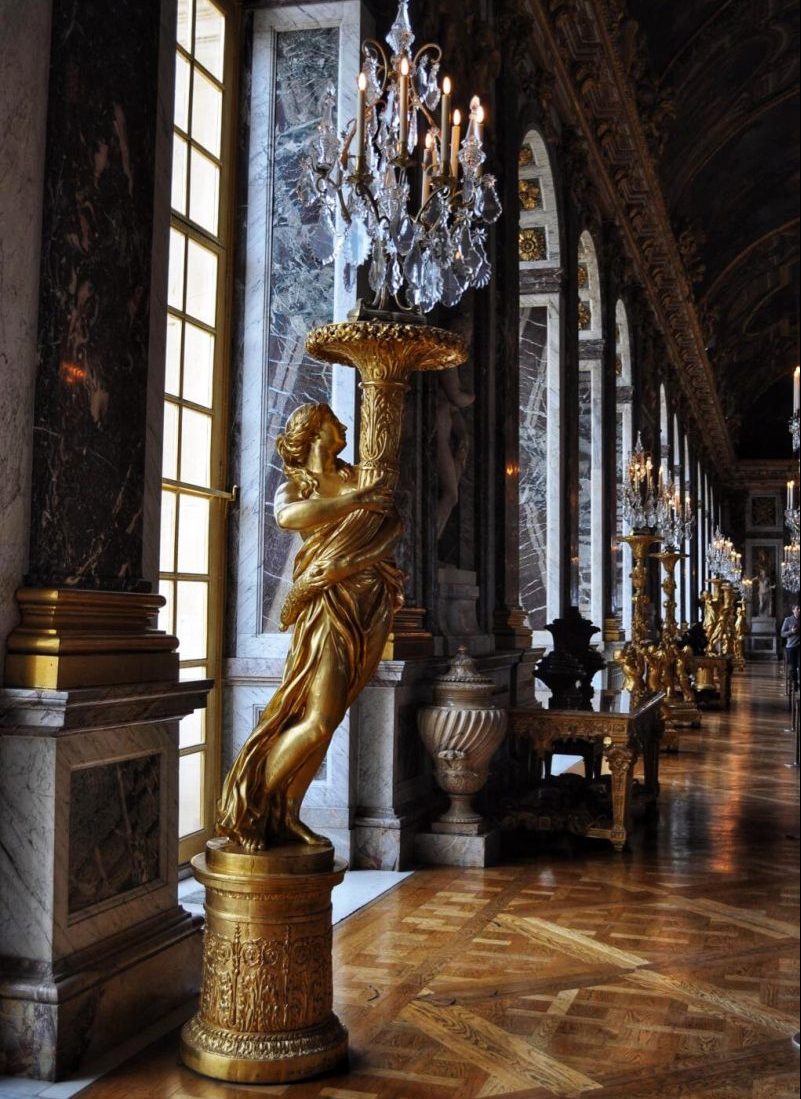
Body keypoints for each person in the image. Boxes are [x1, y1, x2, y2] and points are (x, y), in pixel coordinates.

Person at [217, 403, 404, 850]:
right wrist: (355, 502)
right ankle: (251, 806)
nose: (342, 425)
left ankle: (288, 813)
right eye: (333, 421)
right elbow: (287, 517)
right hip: (326, 602)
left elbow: (392, 523)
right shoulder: (299, 485)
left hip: (371, 601)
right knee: (316, 719)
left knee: (331, 715)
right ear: (315, 431)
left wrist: (354, 554)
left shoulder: (360, 473)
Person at [781, 602, 800, 688]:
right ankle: (795, 683)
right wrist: (791, 632)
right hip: (792, 646)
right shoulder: (788, 620)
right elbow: (782, 633)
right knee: (794, 666)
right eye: (797, 609)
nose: (799, 610)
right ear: (793, 610)